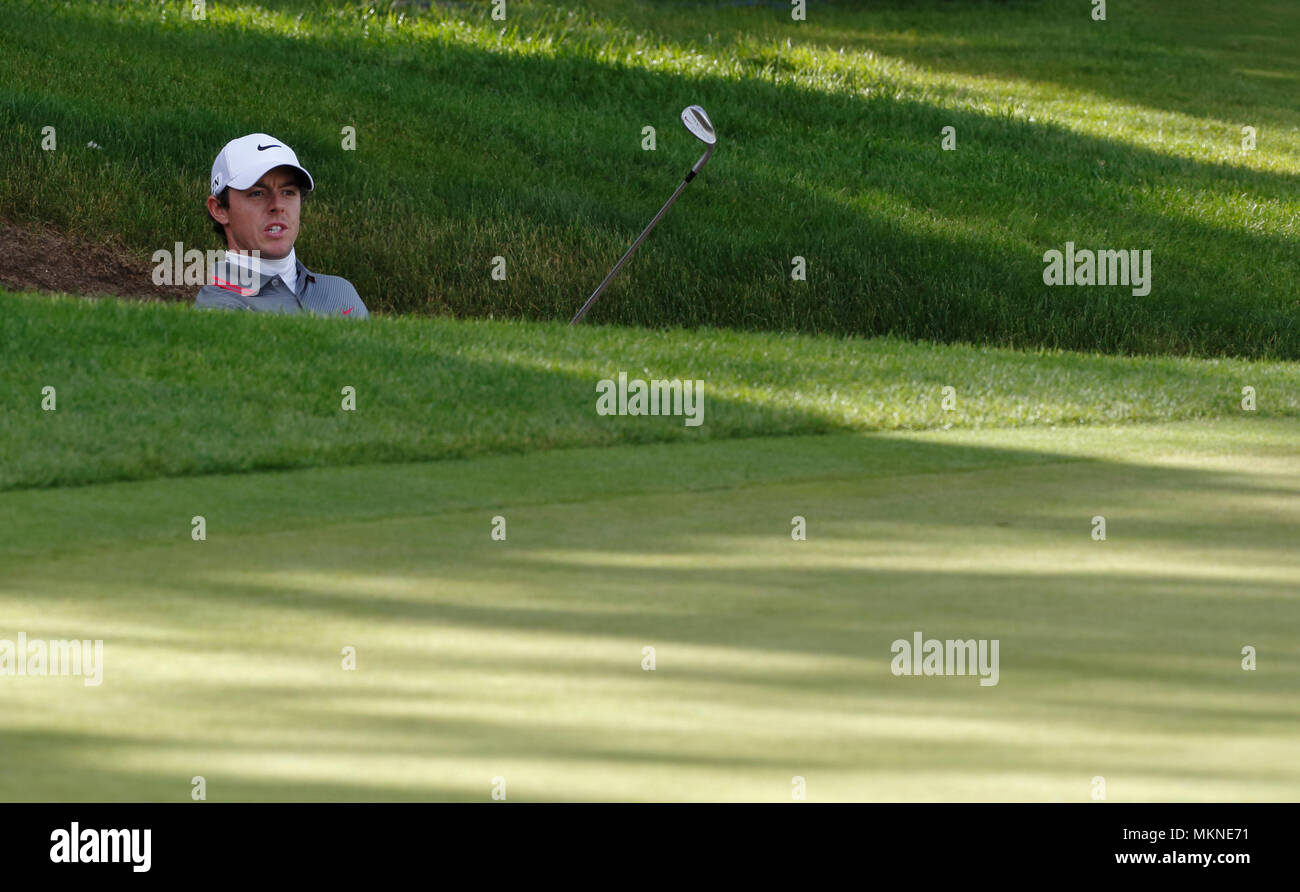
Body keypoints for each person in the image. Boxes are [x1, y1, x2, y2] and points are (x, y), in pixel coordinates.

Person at [195, 133, 368, 317]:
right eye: (257, 194)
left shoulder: (341, 291)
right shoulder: (218, 308)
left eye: (288, 192)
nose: (277, 205)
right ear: (219, 209)